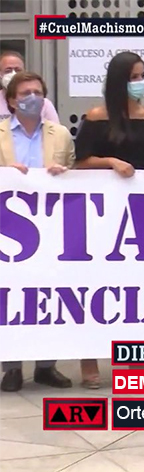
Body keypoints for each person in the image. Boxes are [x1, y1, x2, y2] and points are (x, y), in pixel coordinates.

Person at [74, 51, 144, 387]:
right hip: (102, 215)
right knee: (96, 287)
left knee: (138, 288)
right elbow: (80, 161)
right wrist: (110, 162)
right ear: (118, 81)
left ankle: (135, 357)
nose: (139, 83)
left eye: (142, 76)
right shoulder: (97, 117)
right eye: (132, 77)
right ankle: (89, 359)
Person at [0, 71, 74, 392]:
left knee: (50, 292)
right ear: (11, 101)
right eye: (25, 93)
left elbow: (77, 175)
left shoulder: (61, 134)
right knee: (10, 295)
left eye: (38, 92)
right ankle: (12, 367)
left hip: (52, 225)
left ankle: (46, 366)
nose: (32, 97)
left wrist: (64, 173)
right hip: (9, 229)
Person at [0, 51, 60, 123]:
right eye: (8, 70)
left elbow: (55, 128)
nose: (13, 74)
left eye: (18, 70)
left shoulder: (44, 104)